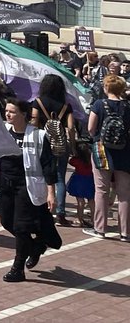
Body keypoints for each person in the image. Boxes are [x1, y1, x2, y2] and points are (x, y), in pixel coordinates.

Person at [0, 97, 61, 281]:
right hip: (4, 184)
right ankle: (36, 246)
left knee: (21, 227)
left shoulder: (38, 135)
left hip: (26, 187)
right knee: (6, 221)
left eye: (12, 111)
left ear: (23, 114)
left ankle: (17, 268)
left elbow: (49, 167)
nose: (7, 114)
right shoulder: (3, 131)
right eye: (7, 111)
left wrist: (51, 193)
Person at [86, 73, 130, 240]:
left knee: (101, 190)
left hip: (102, 150)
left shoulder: (99, 104)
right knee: (124, 193)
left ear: (106, 88)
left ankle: (100, 228)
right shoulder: (128, 106)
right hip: (124, 151)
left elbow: (91, 128)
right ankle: (125, 232)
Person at [34, 73, 76, 225]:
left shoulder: (37, 102)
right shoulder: (66, 106)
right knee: (60, 178)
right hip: (60, 144)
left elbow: (33, 123)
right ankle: (61, 213)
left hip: (42, 142)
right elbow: (71, 127)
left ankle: (42, 209)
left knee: (41, 174)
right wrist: (72, 145)